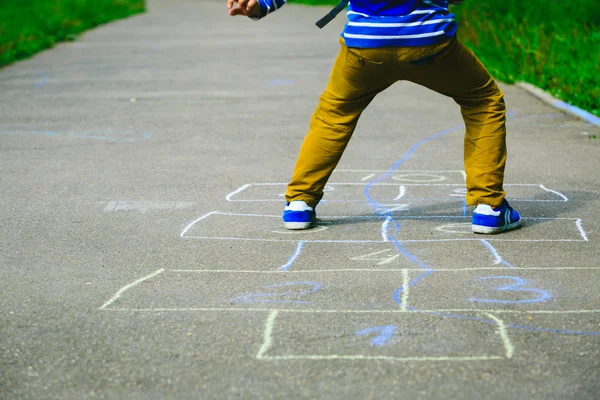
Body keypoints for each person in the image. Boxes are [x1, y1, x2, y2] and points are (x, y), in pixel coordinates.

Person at [227, 0, 523, 235]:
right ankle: (489, 207)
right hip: (427, 43)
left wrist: (262, 3)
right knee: (483, 101)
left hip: (365, 47)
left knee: (334, 115)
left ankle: (300, 203)